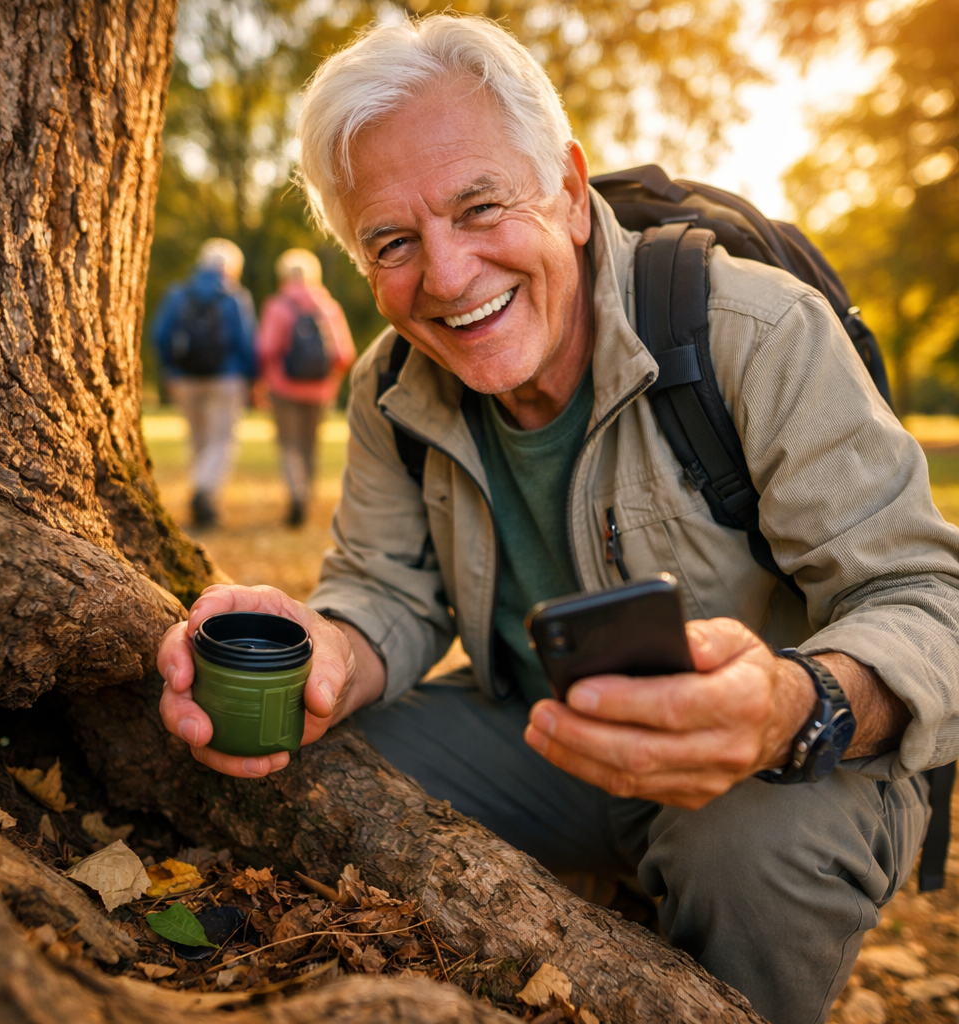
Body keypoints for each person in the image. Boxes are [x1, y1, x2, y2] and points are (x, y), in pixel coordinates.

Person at [156, 16, 959, 1024]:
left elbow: (927, 597)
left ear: (571, 193)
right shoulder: (390, 387)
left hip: (772, 763)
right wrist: (328, 653)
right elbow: (385, 592)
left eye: (480, 205)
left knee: (755, 848)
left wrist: (791, 707)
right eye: (392, 242)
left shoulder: (754, 331)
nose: (446, 278)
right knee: (319, 769)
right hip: (542, 739)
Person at [152, 238, 257, 527]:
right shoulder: (236, 297)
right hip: (226, 378)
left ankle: (203, 497)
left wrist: (170, 369)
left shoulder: (177, 294)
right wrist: (252, 378)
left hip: (185, 379)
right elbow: (246, 342)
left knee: (199, 439)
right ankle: (204, 492)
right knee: (222, 440)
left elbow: (159, 334)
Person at [256, 249, 356, 526]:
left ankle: (296, 492)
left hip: (283, 388)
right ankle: (306, 497)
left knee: (289, 444)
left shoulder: (277, 306)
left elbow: (266, 348)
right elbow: (344, 353)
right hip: (321, 390)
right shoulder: (328, 306)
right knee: (310, 446)